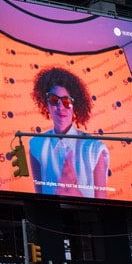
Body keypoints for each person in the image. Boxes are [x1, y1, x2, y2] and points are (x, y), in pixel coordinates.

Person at [27, 67, 111, 198]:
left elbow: (102, 205)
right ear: (46, 103)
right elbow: (39, 198)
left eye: (67, 101)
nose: (60, 107)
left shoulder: (94, 149)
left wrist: (76, 194)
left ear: (75, 106)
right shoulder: (36, 145)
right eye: (54, 100)